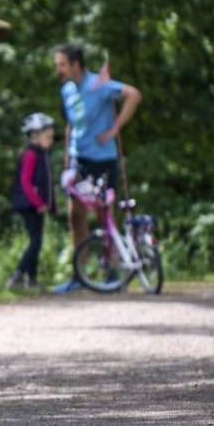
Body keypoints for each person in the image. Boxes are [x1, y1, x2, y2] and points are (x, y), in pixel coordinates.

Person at [51, 44, 143, 293]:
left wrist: (114, 129)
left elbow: (133, 95)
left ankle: (113, 271)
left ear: (75, 64)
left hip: (102, 161)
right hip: (79, 161)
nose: (58, 69)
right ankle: (79, 275)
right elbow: (71, 125)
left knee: (105, 215)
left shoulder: (99, 84)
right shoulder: (67, 90)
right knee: (76, 214)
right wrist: (68, 161)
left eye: (61, 64)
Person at [8, 113, 57, 289]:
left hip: (36, 205)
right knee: (35, 241)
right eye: (48, 137)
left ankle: (32, 278)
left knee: (37, 240)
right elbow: (26, 182)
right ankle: (18, 275)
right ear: (35, 135)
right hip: (30, 205)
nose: (51, 140)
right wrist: (39, 203)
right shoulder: (31, 154)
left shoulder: (41, 154)